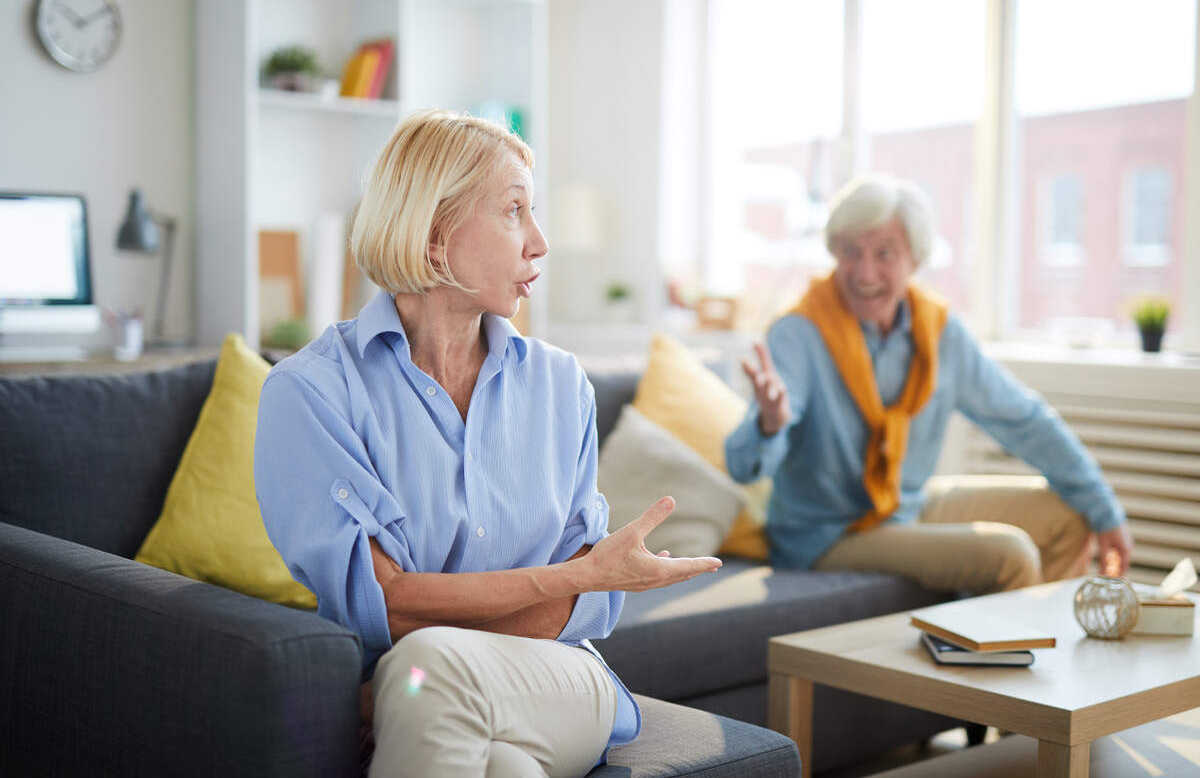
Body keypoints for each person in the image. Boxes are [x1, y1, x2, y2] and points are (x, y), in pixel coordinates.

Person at [253, 109, 721, 778]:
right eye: (513, 211)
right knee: (500, 764)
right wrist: (580, 575)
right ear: (437, 234)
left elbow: (571, 612)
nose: (540, 242)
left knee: (424, 670)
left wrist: (573, 586)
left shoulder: (562, 386)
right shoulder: (313, 393)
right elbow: (388, 603)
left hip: (551, 684)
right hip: (425, 693)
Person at [724, 174, 1133, 595]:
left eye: (884, 253)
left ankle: (1053, 642)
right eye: (851, 252)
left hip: (906, 506)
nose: (865, 272)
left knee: (1068, 515)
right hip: (827, 533)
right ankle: (1012, 654)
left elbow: (1025, 421)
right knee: (1010, 554)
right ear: (834, 254)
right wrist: (770, 425)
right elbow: (741, 466)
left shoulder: (939, 333)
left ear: (914, 260)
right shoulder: (799, 332)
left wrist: (1107, 511)